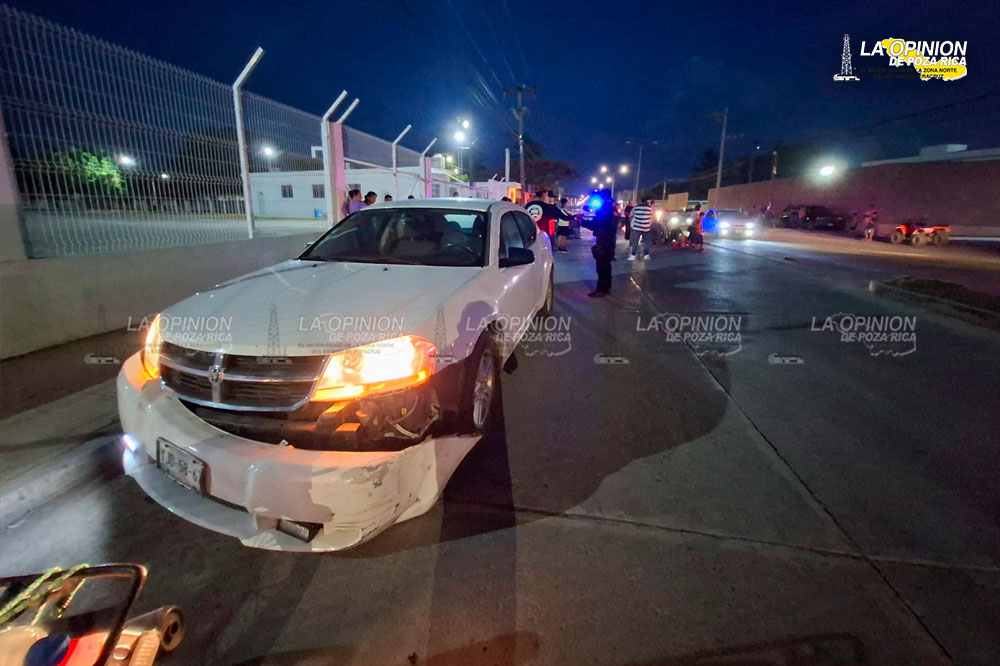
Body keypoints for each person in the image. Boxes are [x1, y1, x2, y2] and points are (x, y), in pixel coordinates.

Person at [586, 189, 617, 297]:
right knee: (606, 266)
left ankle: (601, 289)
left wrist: (582, 222)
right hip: (610, 239)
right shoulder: (612, 207)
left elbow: (597, 224)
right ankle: (606, 288)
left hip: (604, 240)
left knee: (602, 266)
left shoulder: (605, 209)